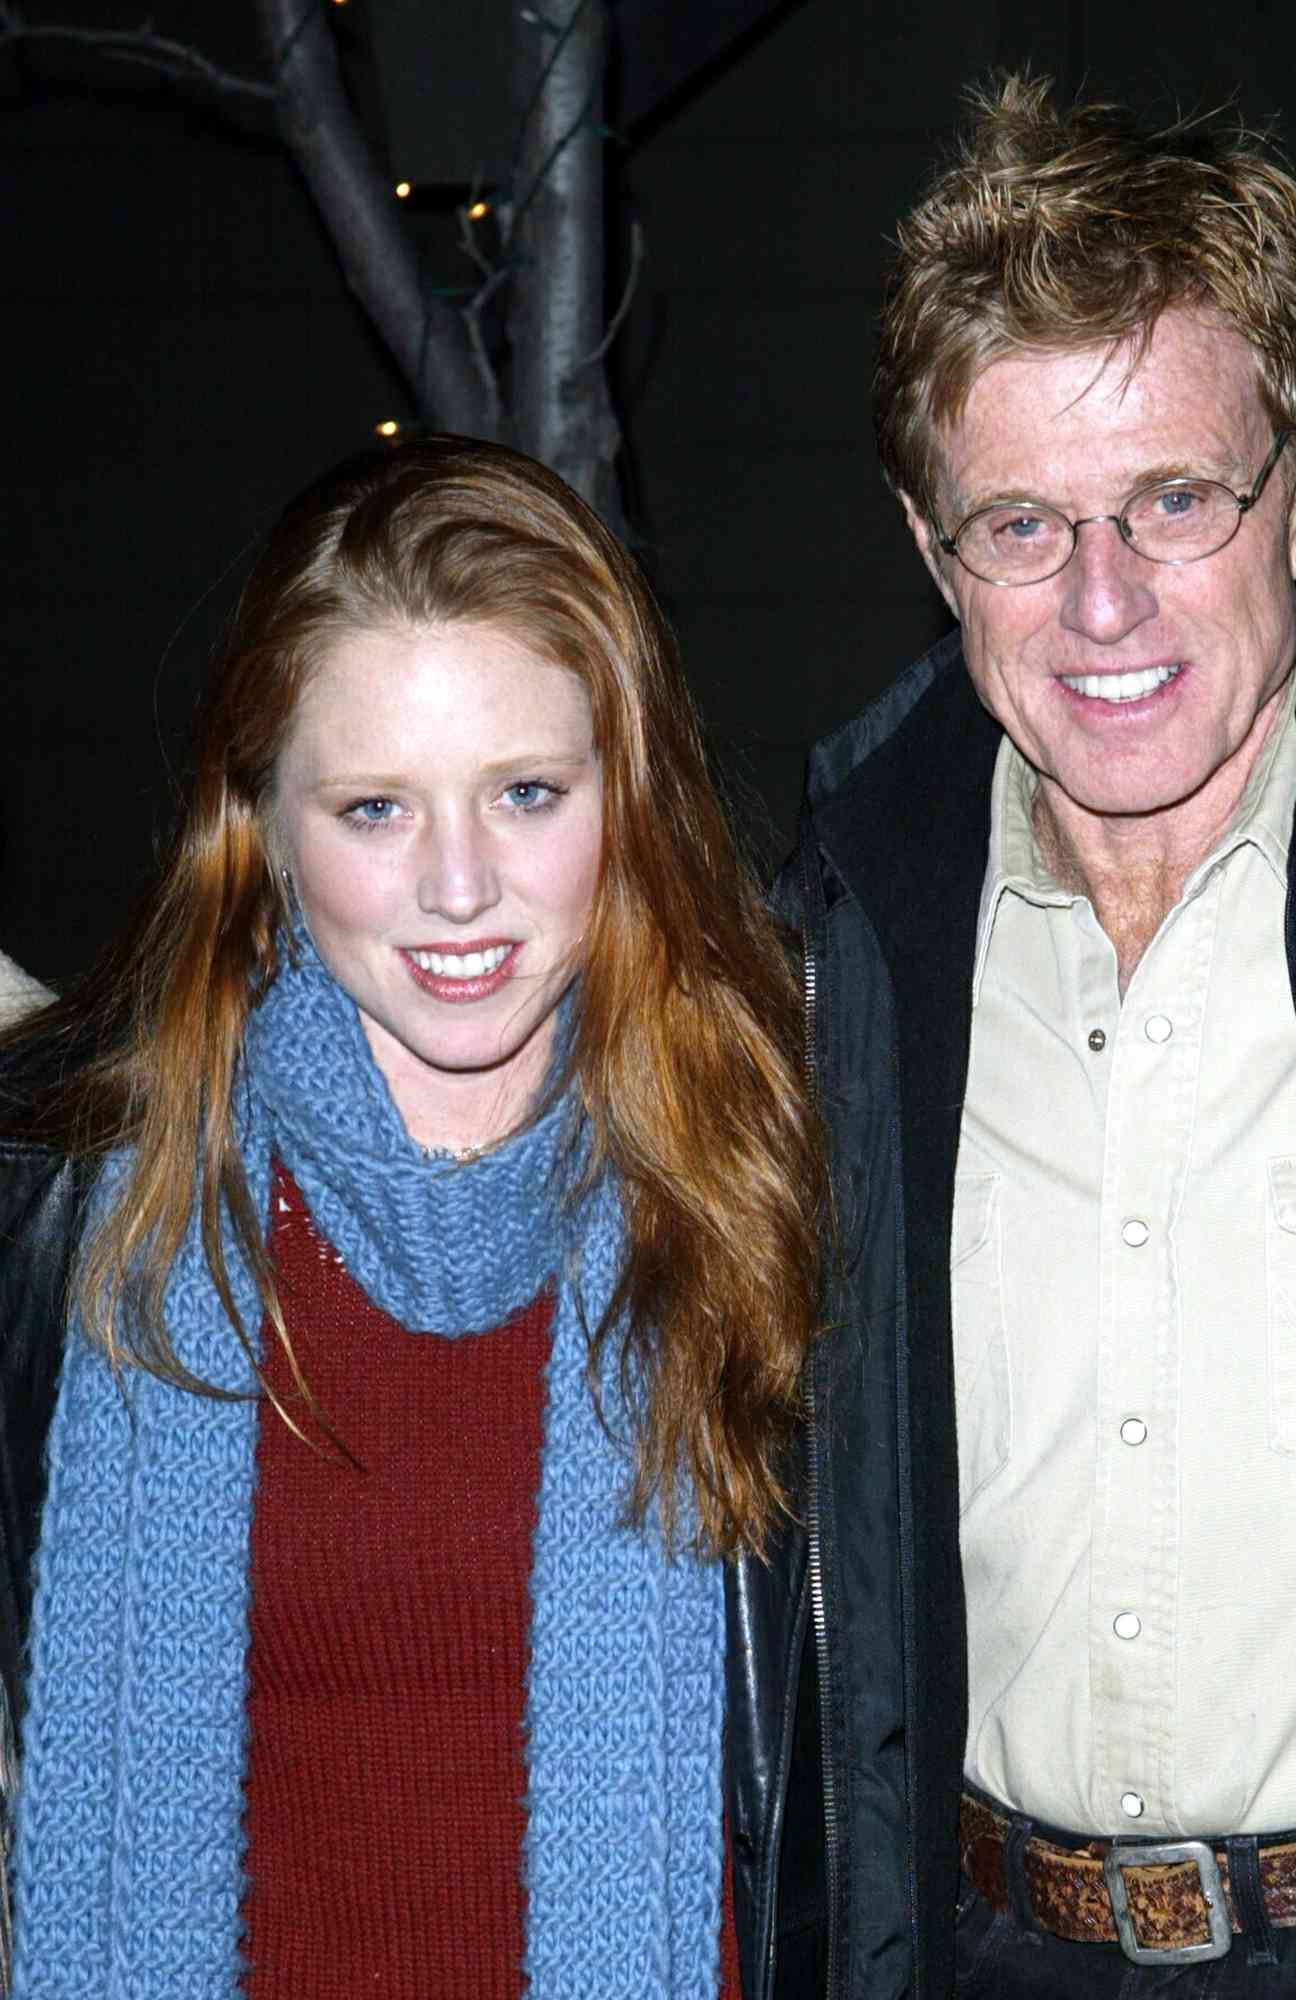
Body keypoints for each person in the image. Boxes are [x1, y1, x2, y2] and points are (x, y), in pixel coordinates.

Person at [729, 75, 1296, 2000]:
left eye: (1174, 501)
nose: (1102, 600)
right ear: (930, 546)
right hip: (996, 1952)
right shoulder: (840, 945)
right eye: (1022, 523)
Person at [0, 434, 823, 1998]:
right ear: (262, 827)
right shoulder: (73, 1203)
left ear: (625, 794)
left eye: (526, 793)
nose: (460, 888)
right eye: (374, 809)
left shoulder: (780, 1174)